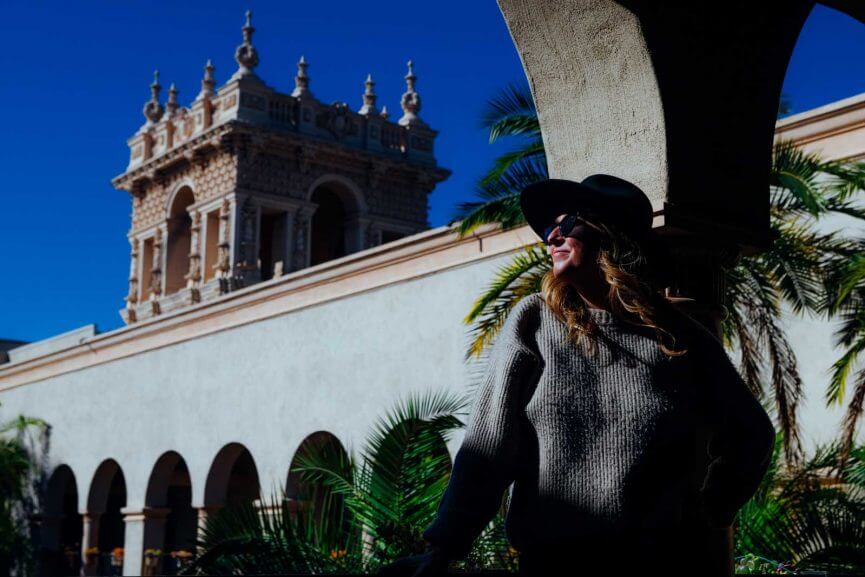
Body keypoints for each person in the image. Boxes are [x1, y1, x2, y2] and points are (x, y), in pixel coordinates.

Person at [378, 174, 777, 577]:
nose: (552, 236)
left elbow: (752, 433)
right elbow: (488, 447)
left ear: (609, 233)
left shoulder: (679, 335)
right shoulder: (534, 321)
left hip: (658, 561)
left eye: (567, 224)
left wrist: (715, 507)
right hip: (554, 562)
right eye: (549, 229)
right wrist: (445, 548)